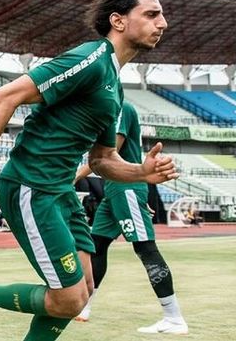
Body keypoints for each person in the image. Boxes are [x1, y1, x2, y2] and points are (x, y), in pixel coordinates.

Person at [0, 0, 178, 341]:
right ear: (119, 21)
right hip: (32, 188)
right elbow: (3, 97)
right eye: (151, 14)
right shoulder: (92, 59)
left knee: (82, 292)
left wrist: (141, 172)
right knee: (67, 299)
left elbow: (101, 160)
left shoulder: (114, 83)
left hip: (61, 192)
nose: (163, 22)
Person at [73, 101, 188, 334]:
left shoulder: (120, 108)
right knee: (97, 245)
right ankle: (84, 306)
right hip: (116, 189)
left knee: (145, 248)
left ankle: (173, 317)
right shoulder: (111, 108)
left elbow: (106, 157)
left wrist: (73, 177)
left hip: (126, 187)